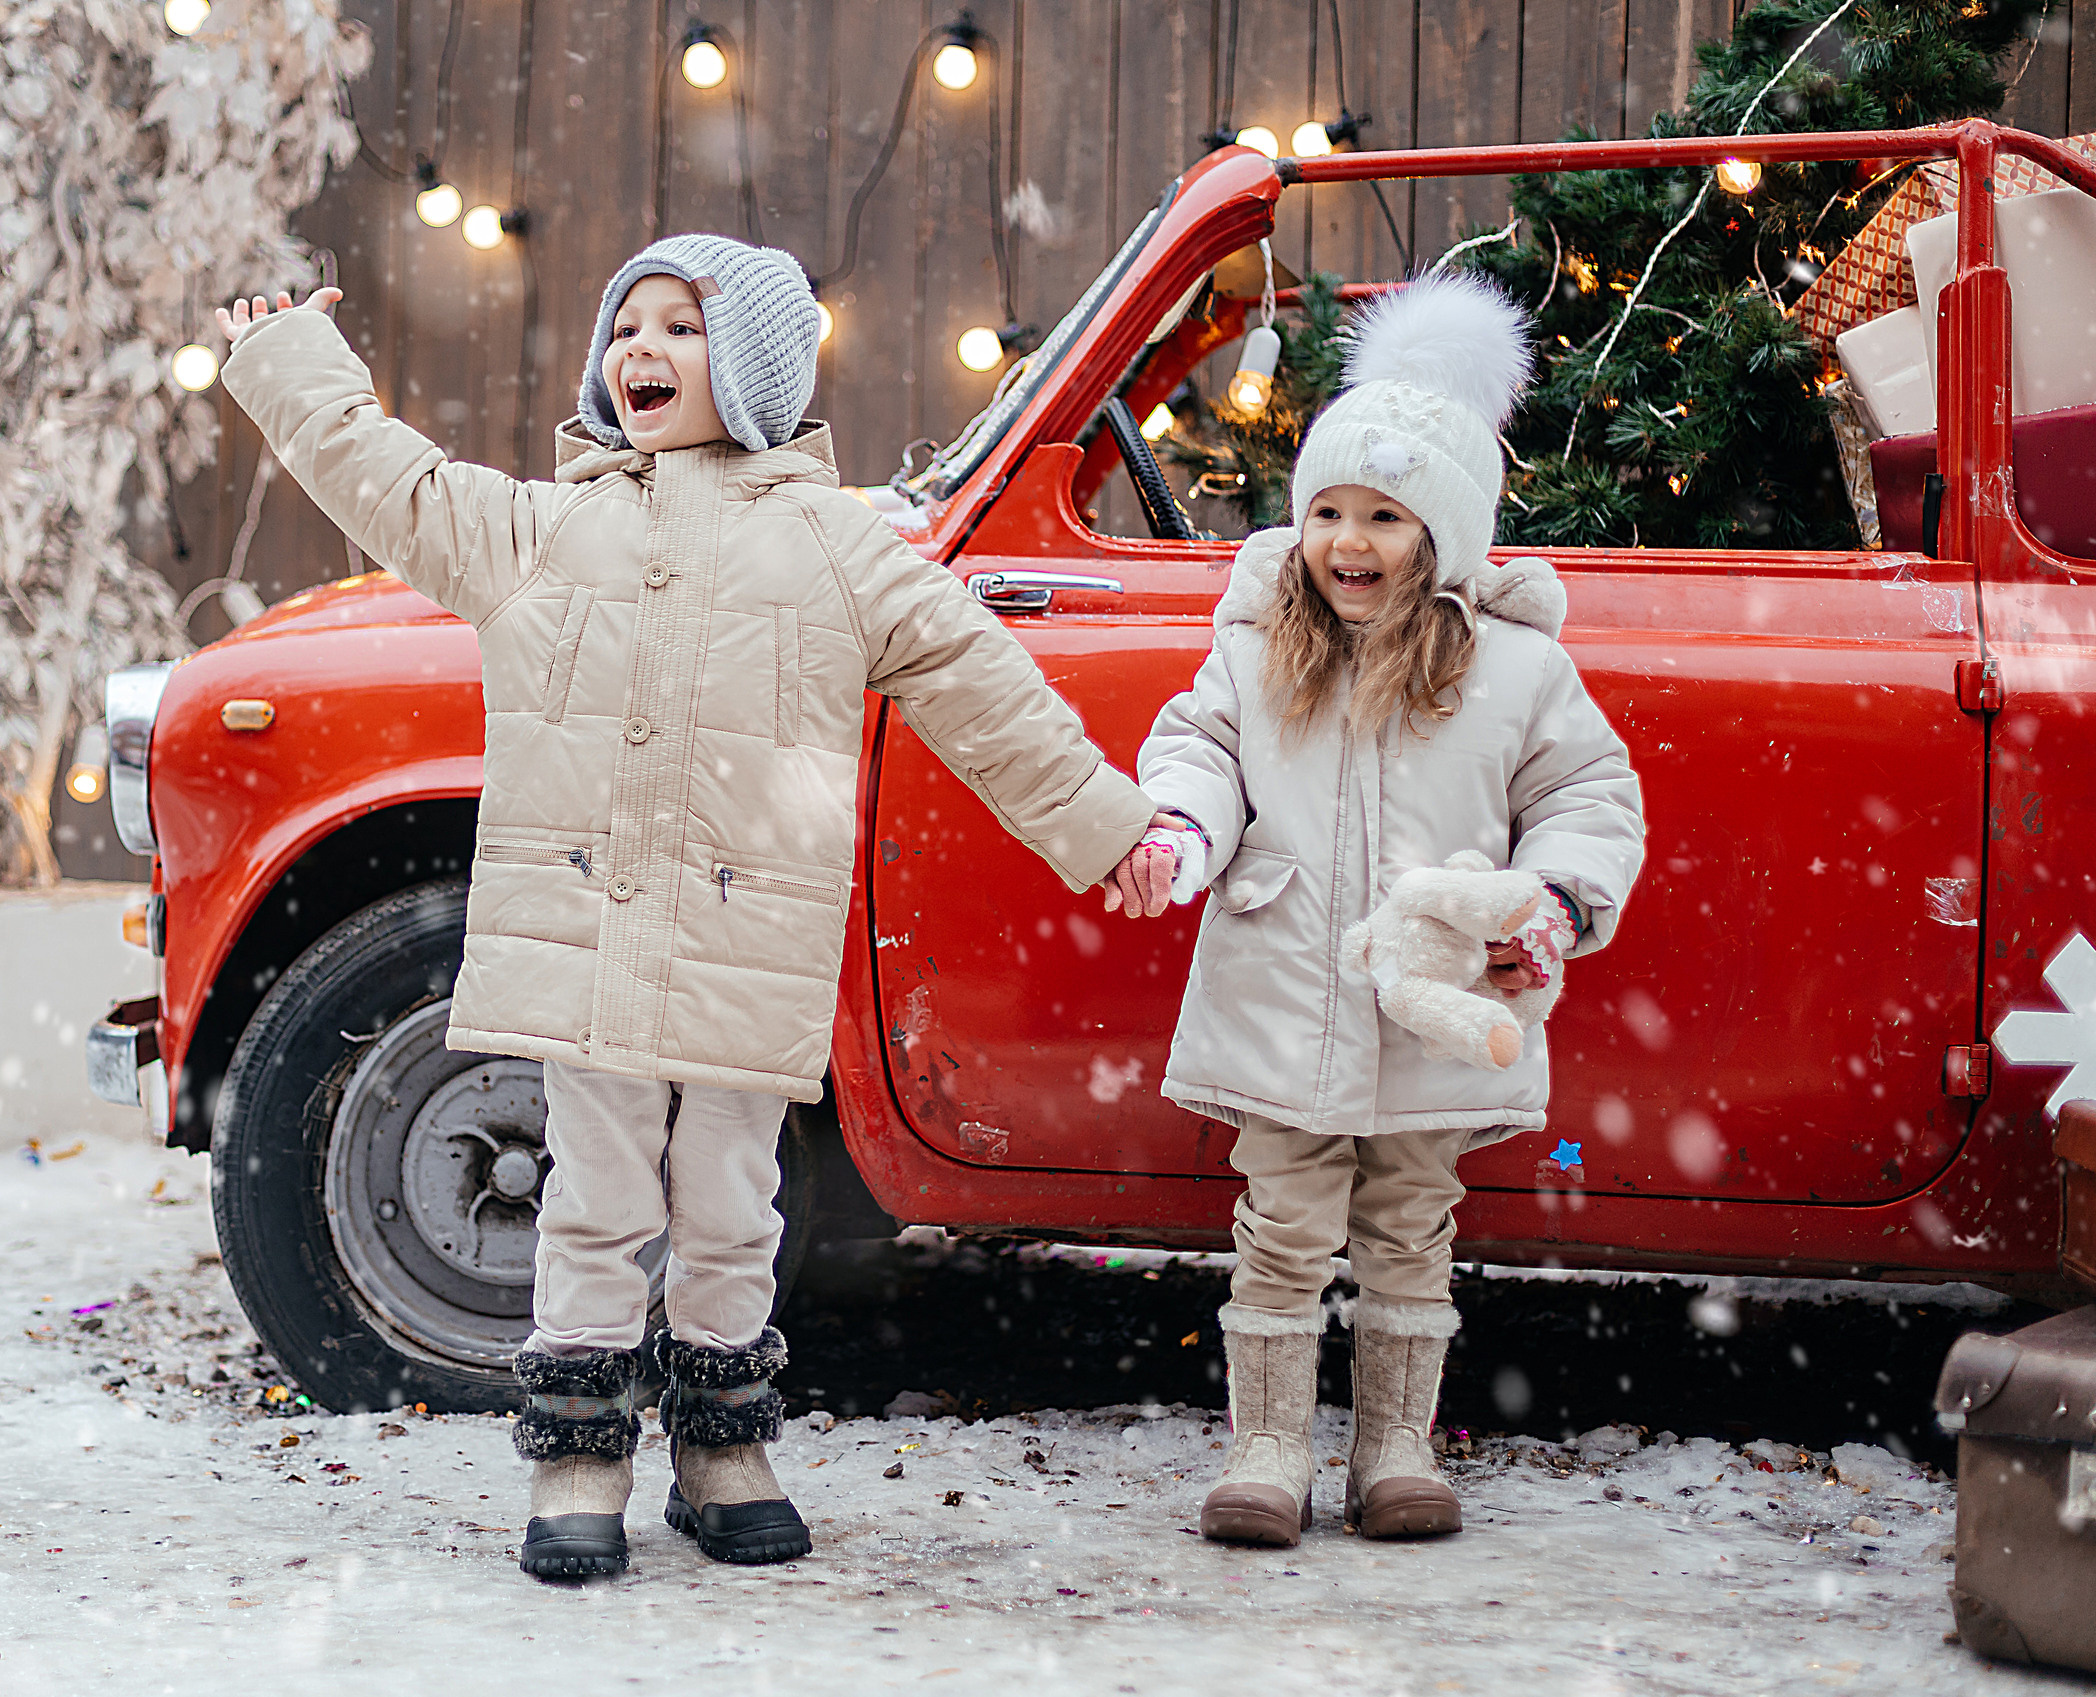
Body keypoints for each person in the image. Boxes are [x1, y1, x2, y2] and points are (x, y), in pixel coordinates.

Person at [215, 236, 1154, 1579]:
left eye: (683, 327)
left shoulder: (841, 547)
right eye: (628, 326)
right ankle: (581, 1455)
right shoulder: (546, 530)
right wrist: (289, 356)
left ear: (761, 368)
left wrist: (1103, 825)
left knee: (729, 1204)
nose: (641, 350)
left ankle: (723, 1448)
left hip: (743, 940)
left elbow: (983, 687)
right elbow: (387, 476)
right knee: (593, 1198)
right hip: (590, 938)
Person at [1098, 271, 1645, 1547]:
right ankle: (1271, 1447)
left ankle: (1395, 1445)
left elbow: (1586, 793)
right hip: (1284, 984)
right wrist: (1178, 829)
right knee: (1280, 1224)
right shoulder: (1255, 650)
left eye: (1386, 517)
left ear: (1442, 536)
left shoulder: (1515, 669)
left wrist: (1558, 896)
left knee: (1410, 1220)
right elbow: (1199, 753)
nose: (1349, 541)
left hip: (1437, 992)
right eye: (1327, 511)